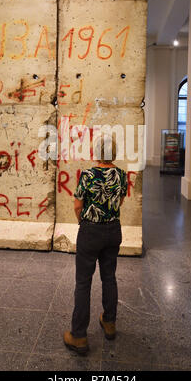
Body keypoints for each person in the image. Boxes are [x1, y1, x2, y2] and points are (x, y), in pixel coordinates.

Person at [63, 136, 127, 355]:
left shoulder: (88, 175)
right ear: (114, 153)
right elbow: (120, 202)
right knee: (109, 277)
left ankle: (79, 336)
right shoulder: (121, 174)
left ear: (97, 152)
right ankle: (109, 323)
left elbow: (78, 205)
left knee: (83, 282)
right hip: (113, 230)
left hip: (91, 231)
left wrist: (84, 223)